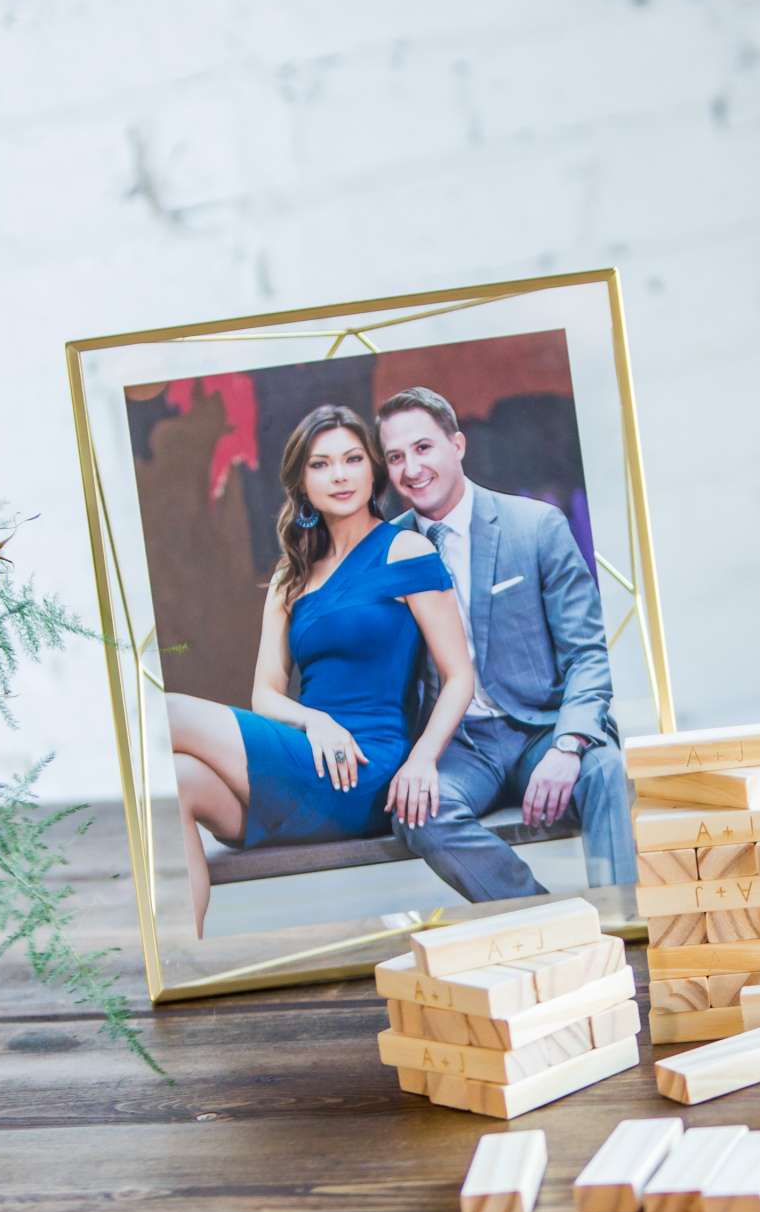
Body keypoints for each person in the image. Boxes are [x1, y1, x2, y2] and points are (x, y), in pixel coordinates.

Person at [167, 404, 474, 936]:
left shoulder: (405, 550)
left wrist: (422, 760)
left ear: (372, 469)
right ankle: (186, 963)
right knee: (175, 781)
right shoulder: (293, 572)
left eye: (353, 459)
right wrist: (315, 721)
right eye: (321, 464)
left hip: (365, 766)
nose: (339, 475)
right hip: (308, 752)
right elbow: (265, 693)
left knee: (165, 713)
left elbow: (460, 677)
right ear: (301, 481)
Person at [375, 385, 638, 903]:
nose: (411, 468)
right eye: (396, 457)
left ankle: (625, 920)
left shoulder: (535, 526)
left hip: (541, 726)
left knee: (605, 768)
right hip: (459, 744)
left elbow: (587, 653)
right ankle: (544, 917)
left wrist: (569, 746)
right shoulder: (386, 549)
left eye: (423, 448)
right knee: (418, 811)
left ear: (458, 445)